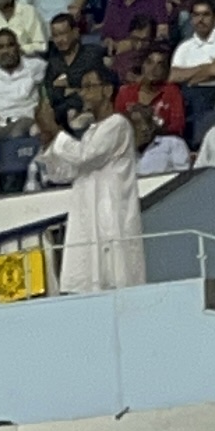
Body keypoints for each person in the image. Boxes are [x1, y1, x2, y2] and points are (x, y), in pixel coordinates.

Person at [41, 83, 147, 290]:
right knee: (87, 278)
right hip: (89, 211)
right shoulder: (90, 132)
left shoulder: (117, 124)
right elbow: (64, 173)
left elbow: (85, 155)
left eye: (89, 87)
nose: (83, 93)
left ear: (107, 90)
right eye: (83, 88)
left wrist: (56, 131)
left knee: (115, 274)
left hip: (110, 210)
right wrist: (48, 139)